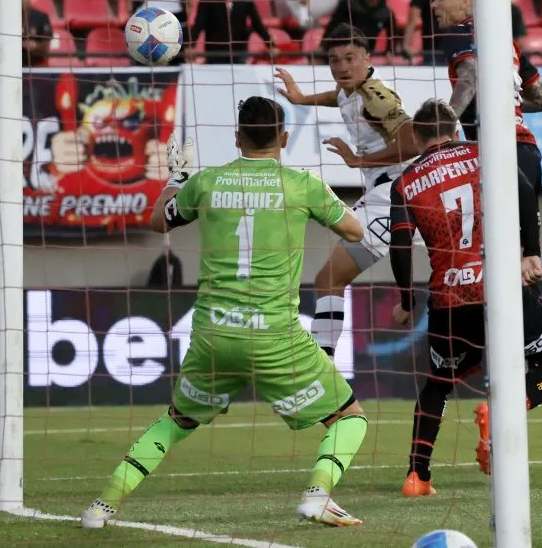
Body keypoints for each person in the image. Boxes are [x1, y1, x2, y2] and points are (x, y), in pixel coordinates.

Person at [81, 97, 369, 529]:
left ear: (237, 137)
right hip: (275, 337)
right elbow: (355, 230)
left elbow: (159, 220)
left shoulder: (207, 184)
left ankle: (102, 506)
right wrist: (319, 199)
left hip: (213, 335)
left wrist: (176, 178)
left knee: (176, 420)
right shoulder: (300, 184)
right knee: (349, 417)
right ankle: (318, 494)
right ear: (285, 138)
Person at [392, 100, 542, 494]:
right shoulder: (483, 153)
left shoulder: (405, 182)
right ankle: (506, 411)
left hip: (448, 297)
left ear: (416, 136)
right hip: (498, 287)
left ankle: (417, 475)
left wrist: (406, 300)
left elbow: (399, 246)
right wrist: (531, 251)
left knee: (437, 385)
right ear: (456, 129)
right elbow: (525, 192)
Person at [431, 0, 542, 336]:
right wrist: (509, 104)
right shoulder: (505, 41)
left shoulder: (459, 32)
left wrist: (445, 125)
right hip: (527, 149)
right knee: (511, 262)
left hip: (494, 148)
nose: (435, 6)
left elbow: (469, 76)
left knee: (498, 257)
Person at [274, 24, 420, 358]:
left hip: (392, 195)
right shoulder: (350, 89)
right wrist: (302, 99)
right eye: (334, 60)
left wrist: (359, 159)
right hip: (398, 192)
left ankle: (321, 366)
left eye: (350, 58)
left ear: (368, 57)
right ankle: (541, 263)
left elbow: (413, 140)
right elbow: (337, 97)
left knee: (328, 279)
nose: (341, 67)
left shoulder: (377, 97)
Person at [189, 0, 276, 64]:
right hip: (214, 52)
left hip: (239, 51)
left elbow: (257, 22)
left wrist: (270, 45)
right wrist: (191, 46)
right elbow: (199, 22)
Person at [320, 0, 394, 54]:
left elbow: (393, 35)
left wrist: (390, 51)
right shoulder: (349, 4)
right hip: (343, 50)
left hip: (367, 53)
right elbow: (333, 26)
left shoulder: (386, 13)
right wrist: (322, 46)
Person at [22, 0, 53, 67]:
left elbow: (46, 45)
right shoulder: (7, 19)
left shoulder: (41, 17)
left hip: (36, 64)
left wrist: (36, 46)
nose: (22, 0)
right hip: (12, 64)